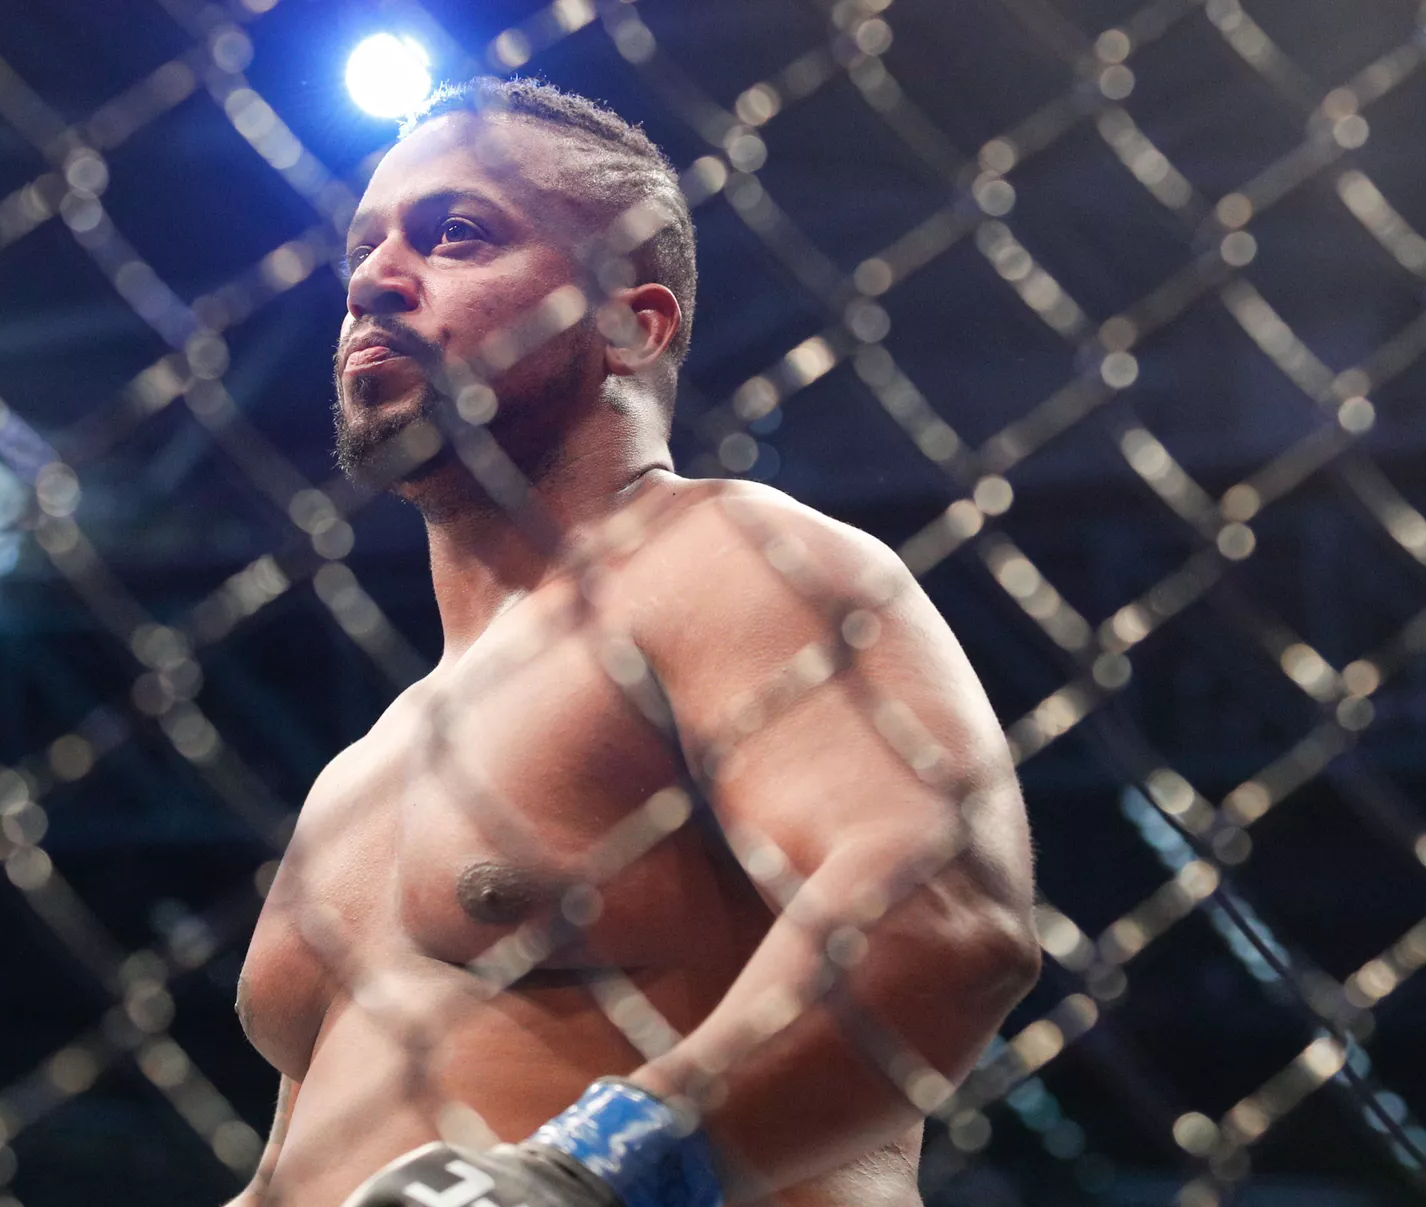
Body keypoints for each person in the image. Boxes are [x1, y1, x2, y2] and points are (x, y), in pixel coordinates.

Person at [229, 77, 1039, 1207]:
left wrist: (585, 1178)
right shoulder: (357, 772)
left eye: (456, 234)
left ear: (626, 322)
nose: (372, 281)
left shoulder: (727, 559)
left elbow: (943, 921)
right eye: (364, 248)